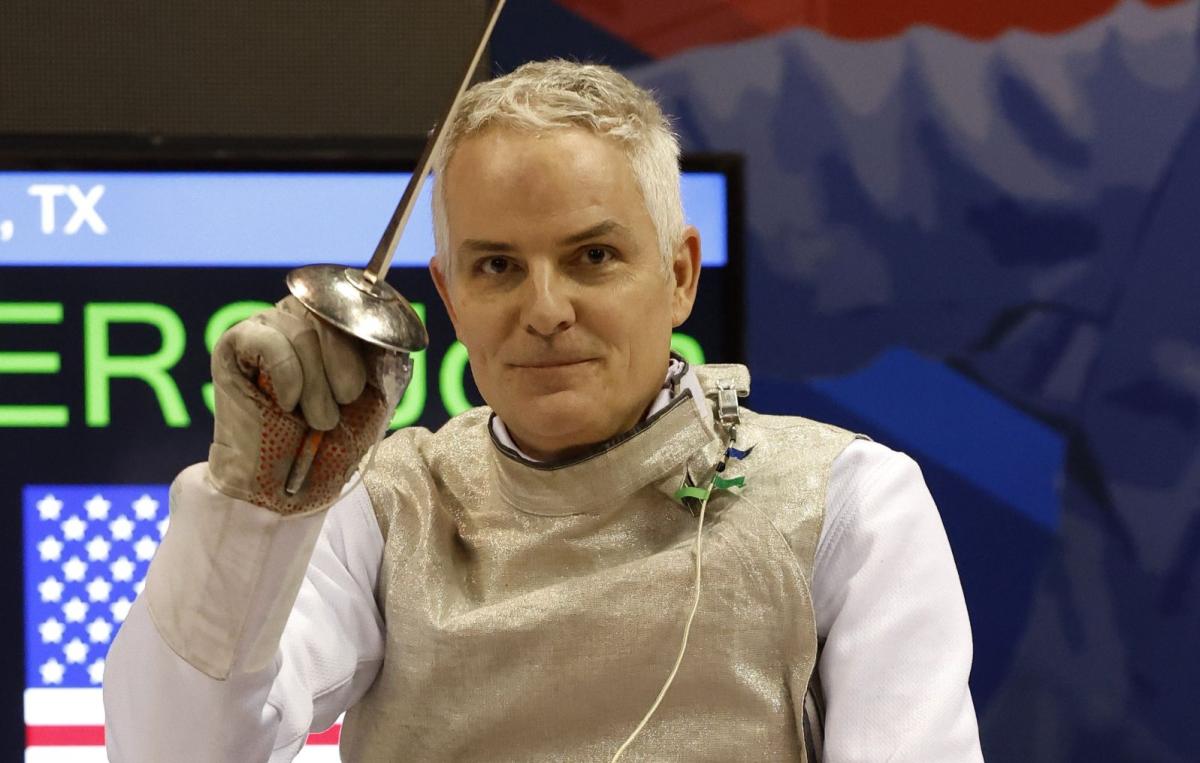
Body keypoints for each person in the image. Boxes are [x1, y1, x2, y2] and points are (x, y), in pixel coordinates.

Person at [103, 60, 984, 761]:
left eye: (593, 255)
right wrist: (252, 513)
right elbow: (173, 751)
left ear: (679, 275)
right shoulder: (385, 506)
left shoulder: (848, 502)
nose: (547, 309)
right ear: (447, 294)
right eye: (497, 266)